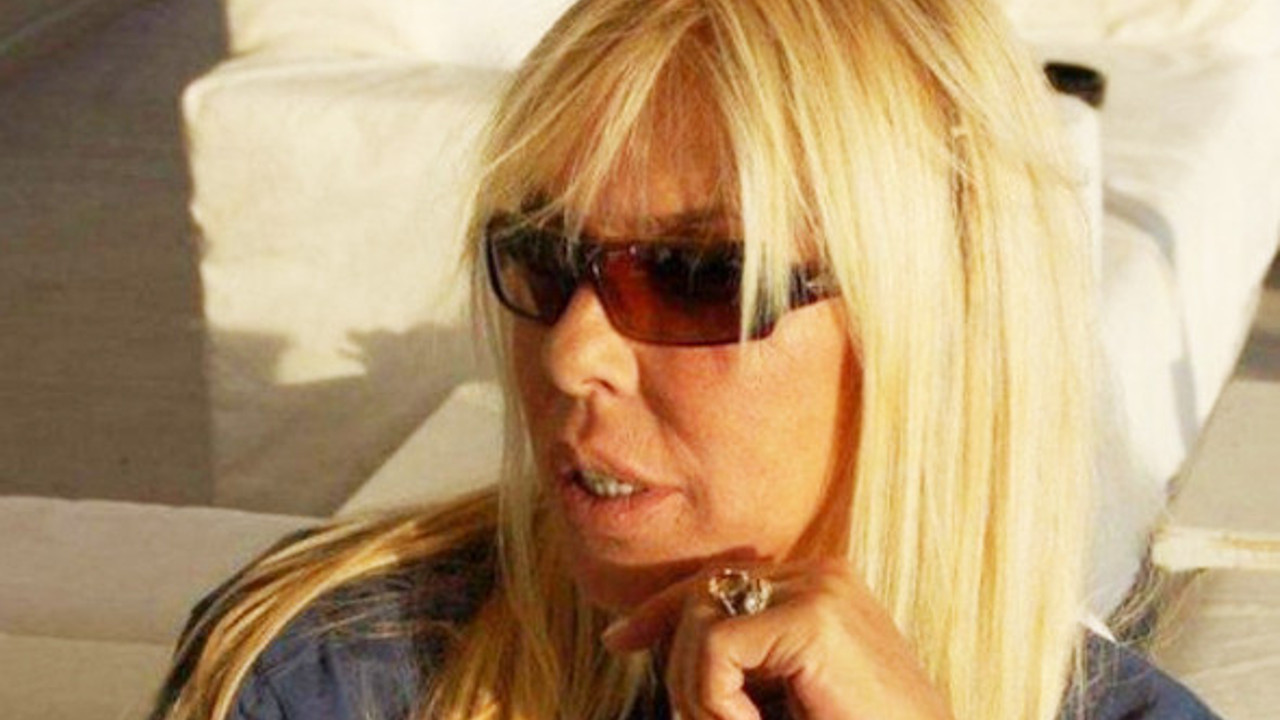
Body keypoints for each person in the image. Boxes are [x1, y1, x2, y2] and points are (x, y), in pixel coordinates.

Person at [151, 1, 1219, 718]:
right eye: (540, 257)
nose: (570, 354)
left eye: (694, 275)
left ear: (934, 328)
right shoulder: (332, 673)